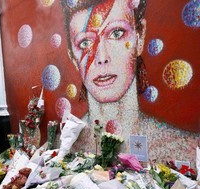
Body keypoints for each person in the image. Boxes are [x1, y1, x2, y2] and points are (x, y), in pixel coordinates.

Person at [61, 0, 199, 167]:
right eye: (85, 43)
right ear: (73, 59)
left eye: (116, 33)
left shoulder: (186, 150)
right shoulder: (64, 146)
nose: (102, 57)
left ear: (139, 37)